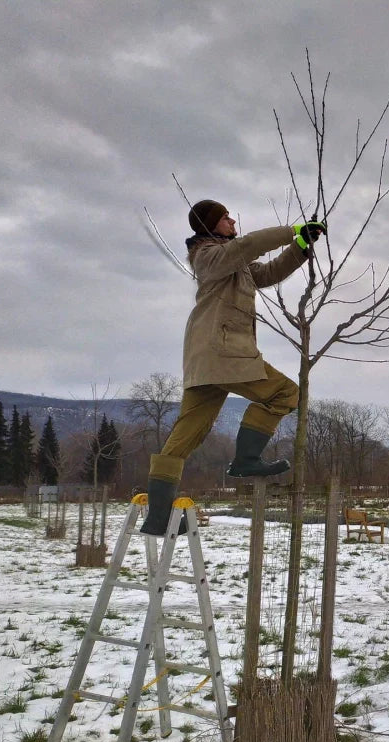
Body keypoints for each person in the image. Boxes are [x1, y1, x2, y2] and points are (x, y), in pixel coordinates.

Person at [141, 199, 326, 535]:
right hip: (222, 350)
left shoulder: (231, 262)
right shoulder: (208, 256)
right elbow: (247, 246)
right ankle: (246, 460)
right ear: (210, 225)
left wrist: (300, 246)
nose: (231, 220)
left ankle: (158, 517)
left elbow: (268, 273)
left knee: (184, 438)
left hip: (207, 360)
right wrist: (291, 231)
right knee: (285, 393)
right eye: (225, 217)